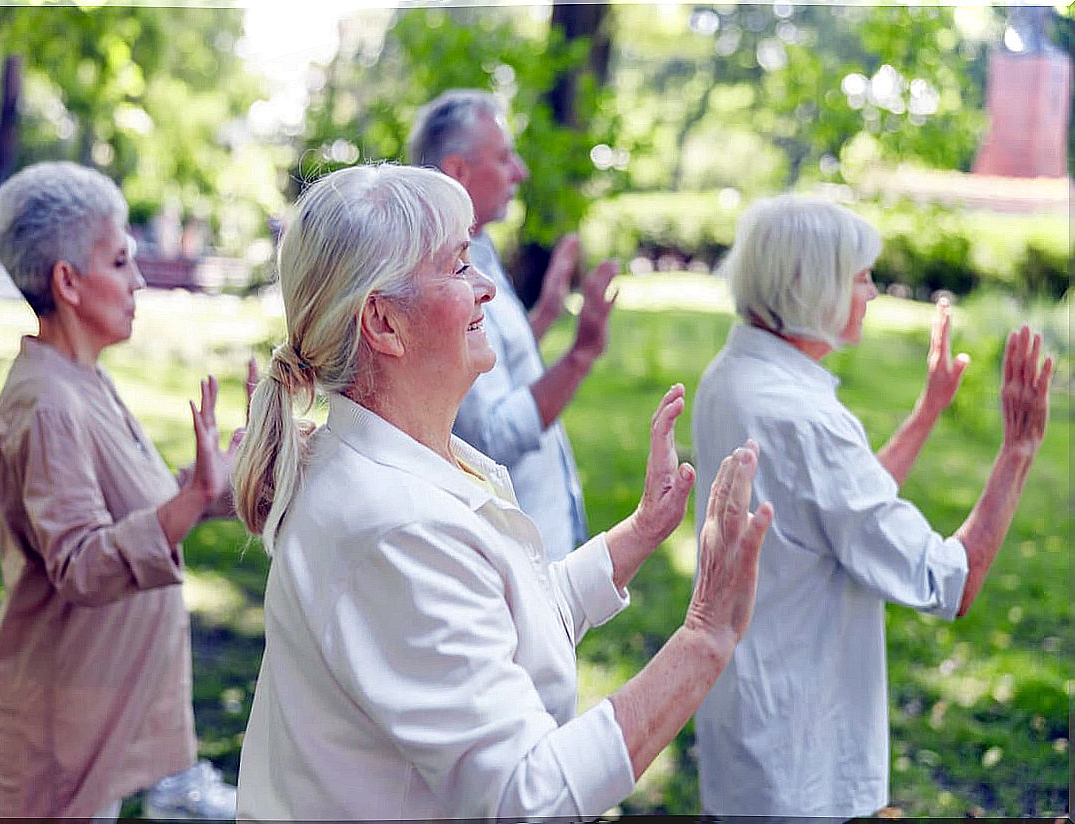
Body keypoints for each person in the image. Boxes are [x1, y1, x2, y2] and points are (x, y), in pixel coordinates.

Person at [232, 163, 773, 820]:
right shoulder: (398, 527)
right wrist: (705, 637)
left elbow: (498, 622)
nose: (488, 287)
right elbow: (526, 796)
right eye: (460, 267)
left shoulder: (404, 463)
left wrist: (639, 533)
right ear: (383, 323)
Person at [689, 194, 1054, 818]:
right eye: (862, 279)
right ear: (813, 287)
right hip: (802, 767)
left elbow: (834, 512)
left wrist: (928, 410)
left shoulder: (734, 375)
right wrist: (1017, 451)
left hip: (748, 731)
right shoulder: (803, 419)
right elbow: (947, 581)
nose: (873, 294)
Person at [0, 161, 244, 819]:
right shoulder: (48, 404)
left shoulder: (81, 377)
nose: (139, 281)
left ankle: (174, 786)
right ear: (67, 281)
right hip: (54, 727)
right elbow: (83, 564)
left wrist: (229, 482)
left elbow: (138, 511)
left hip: (104, 700)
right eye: (121, 261)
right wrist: (189, 500)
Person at [408, 89, 618, 561]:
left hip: (538, 541)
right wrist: (582, 354)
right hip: (516, 557)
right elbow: (491, 437)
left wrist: (543, 315)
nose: (519, 172)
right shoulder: (437, 272)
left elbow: (490, 363)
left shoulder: (475, 248)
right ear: (458, 171)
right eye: (504, 158)